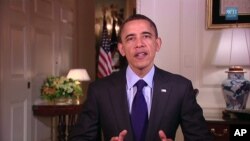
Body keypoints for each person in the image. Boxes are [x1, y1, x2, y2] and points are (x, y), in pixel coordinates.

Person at [69, 14, 212, 141]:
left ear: (157, 44)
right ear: (122, 49)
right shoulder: (99, 90)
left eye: (146, 36)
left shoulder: (180, 88)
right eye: (131, 38)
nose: (139, 44)